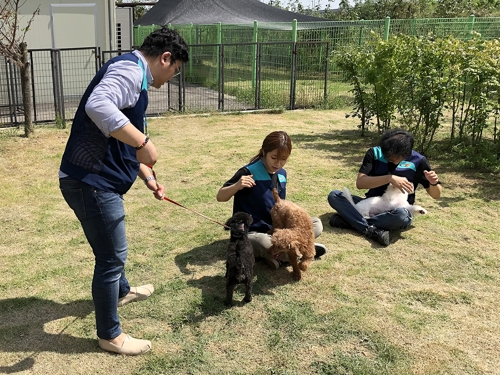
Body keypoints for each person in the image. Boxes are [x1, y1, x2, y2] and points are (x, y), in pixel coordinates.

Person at [58, 27, 189, 355]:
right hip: (90, 183)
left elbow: (117, 137)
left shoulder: (134, 75)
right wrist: (145, 143)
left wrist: (146, 175)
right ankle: (110, 336)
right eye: (174, 71)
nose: (171, 78)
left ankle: (122, 292)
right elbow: (98, 105)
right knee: (111, 257)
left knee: (112, 251)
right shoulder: (130, 70)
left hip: (96, 181)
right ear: (165, 58)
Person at [216, 131, 327, 269]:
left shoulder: (282, 174)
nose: (278, 163)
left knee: (315, 224)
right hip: (253, 232)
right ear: (264, 152)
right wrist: (237, 185)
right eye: (274, 157)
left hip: (278, 231)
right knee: (263, 242)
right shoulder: (248, 172)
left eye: (284, 159)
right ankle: (300, 250)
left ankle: (284, 253)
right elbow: (220, 196)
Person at [327, 129, 442, 247]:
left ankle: (351, 221)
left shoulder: (418, 161)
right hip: (373, 203)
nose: (387, 157)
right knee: (335, 195)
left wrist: (433, 183)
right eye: (385, 153)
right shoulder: (374, 152)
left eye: (392, 156)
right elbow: (360, 183)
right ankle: (370, 229)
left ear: (406, 154)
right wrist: (389, 178)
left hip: (398, 210)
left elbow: (436, 195)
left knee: (402, 217)